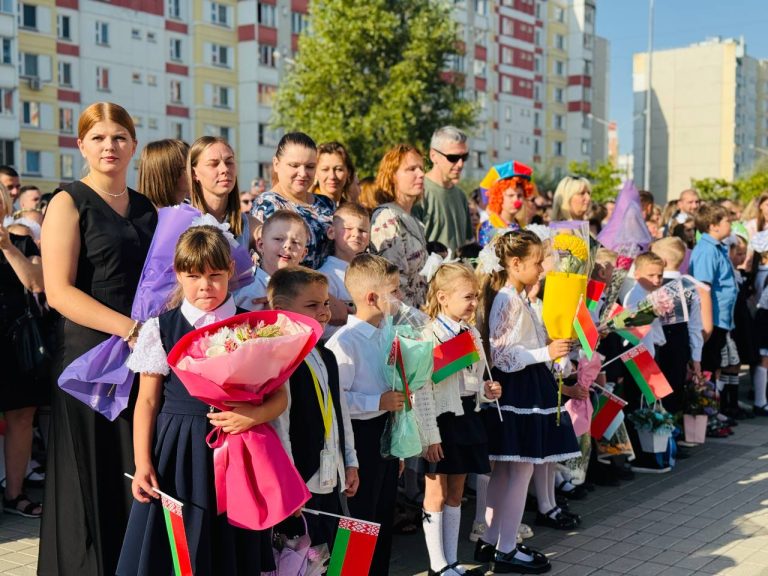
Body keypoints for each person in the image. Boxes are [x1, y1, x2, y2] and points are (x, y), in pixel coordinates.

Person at [118, 225, 285, 574]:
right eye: (193, 276)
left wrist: (253, 417)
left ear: (229, 271)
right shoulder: (160, 328)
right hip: (179, 450)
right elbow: (147, 402)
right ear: (179, 275)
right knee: (180, 544)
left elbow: (280, 397)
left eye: (214, 275)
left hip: (240, 449)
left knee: (231, 545)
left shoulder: (252, 327)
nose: (205, 286)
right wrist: (142, 462)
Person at [39, 102, 158, 576]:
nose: (110, 146)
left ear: (133, 144)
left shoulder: (147, 207)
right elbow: (59, 291)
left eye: (119, 137)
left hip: (143, 354)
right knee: (89, 473)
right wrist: (127, 329)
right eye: (99, 137)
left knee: (134, 467)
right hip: (88, 360)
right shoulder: (68, 201)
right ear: (81, 144)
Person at [474, 230, 580, 574]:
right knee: (519, 469)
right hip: (518, 388)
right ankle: (505, 548)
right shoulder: (507, 299)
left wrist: (553, 352)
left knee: (509, 469)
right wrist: (544, 352)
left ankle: (492, 540)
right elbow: (501, 355)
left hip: (527, 383)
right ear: (515, 263)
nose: (542, 270)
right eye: (537, 263)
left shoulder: (520, 297)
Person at [326, 254, 405, 576]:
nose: (401, 298)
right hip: (359, 437)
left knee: (383, 514)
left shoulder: (387, 332)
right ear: (373, 297)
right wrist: (377, 401)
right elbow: (337, 400)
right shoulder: (344, 343)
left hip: (384, 432)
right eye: (395, 291)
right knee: (360, 519)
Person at [419, 261, 501, 576]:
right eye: (467, 297)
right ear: (443, 297)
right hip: (441, 421)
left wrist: (485, 389)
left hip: (467, 417)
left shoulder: (471, 333)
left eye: (475, 297)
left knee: (456, 491)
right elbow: (422, 388)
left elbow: (470, 380)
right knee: (436, 493)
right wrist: (429, 435)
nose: (473, 304)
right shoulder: (429, 334)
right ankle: (437, 564)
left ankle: (452, 560)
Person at [268, 266, 359, 548]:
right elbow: (279, 425)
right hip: (302, 480)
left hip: (333, 476)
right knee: (301, 555)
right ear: (281, 309)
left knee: (332, 552)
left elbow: (340, 411)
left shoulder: (326, 353)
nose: (323, 312)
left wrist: (351, 461)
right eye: (312, 305)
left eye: (326, 304)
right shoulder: (279, 358)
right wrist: (289, 482)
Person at [0, 183, 45, 518]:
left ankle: (14, 494)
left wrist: (7, 247)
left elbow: (36, 282)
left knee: (22, 415)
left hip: (16, 342)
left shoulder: (20, 241)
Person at [252, 132, 334, 270]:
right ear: (276, 164)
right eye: (294, 165)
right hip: (291, 288)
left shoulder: (325, 203)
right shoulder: (268, 204)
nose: (303, 173)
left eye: (310, 166)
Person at [370, 144, 429, 308]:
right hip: (402, 322)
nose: (421, 174)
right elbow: (394, 282)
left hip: (420, 316)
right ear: (392, 176)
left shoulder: (414, 218)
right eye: (411, 169)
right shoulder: (386, 217)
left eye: (421, 168)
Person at [651, 237, 704, 415]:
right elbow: (696, 326)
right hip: (680, 342)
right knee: (675, 387)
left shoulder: (653, 285)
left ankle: (657, 432)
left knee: (655, 390)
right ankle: (672, 429)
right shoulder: (690, 286)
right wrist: (696, 357)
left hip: (658, 344)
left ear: (662, 262)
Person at [690, 203, 737, 382]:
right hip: (713, 317)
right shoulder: (707, 251)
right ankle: (703, 406)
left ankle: (713, 406)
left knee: (716, 363)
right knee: (708, 364)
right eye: (726, 220)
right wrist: (707, 324)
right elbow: (702, 289)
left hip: (722, 317)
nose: (730, 223)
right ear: (713, 226)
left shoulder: (717, 248)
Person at [234, 210, 309, 311]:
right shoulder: (250, 290)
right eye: (278, 239)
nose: (287, 246)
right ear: (261, 245)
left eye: (295, 242)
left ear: (303, 254)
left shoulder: (305, 289)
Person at [413, 126, 473, 252]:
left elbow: (467, 241)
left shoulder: (461, 196)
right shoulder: (418, 191)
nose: (460, 164)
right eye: (453, 158)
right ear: (433, 155)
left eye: (464, 157)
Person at [188, 136, 253, 249]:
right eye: (213, 164)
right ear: (194, 173)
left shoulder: (248, 224)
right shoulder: (180, 221)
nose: (224, 169)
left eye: (229, 162)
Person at [319, 202, 370, 338]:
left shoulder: (370, 272)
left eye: (363, 230)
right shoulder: (326, 276)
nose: (356, 234)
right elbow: (323, 328)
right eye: (348, 228)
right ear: (331, 232)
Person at [477, 164, 536, 247]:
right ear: (499, 197)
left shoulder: (520, 225)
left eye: (519, 195)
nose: (516, 200)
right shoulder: (489, 227)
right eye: (511, 195)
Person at [623, 252, 666, 357]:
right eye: (651, 275)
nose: (656, 280)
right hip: (643, 351)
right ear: (637, 275)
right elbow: (637, 325)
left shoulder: (654, 293)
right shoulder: (635, 296)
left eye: (660, 276)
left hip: (654, 348)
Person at [137, 138, 190, 207]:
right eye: (188, 167)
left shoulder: (195, 211)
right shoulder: (145, 215)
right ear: (167, 174)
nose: (195, 172)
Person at [751, 231, 768, 415]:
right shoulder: (764, 273)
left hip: (762, 316)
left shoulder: (759, 271)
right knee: (764, 359)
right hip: (765, 317)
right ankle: (760, 401)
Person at [313, 141, 356, 205]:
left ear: (348, 173)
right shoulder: (306, 210)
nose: (332, 176)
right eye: (325, 169)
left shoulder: (351, 210)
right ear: (315, 173)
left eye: (338, 169)